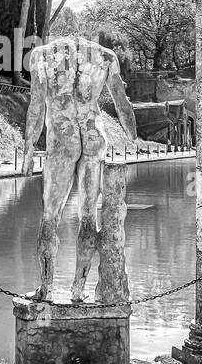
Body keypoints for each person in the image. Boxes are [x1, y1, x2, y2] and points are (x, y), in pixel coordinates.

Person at [22, 36, 139, 302]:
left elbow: (36, 106)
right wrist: (133, 137)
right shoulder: (105, 56)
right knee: (88, 216)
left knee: (50, 216)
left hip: (62, 138)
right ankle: (78, 289)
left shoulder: (42, 55)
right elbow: (122, 103)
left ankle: (46, 289)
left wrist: (28, 150)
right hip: (93, 136)